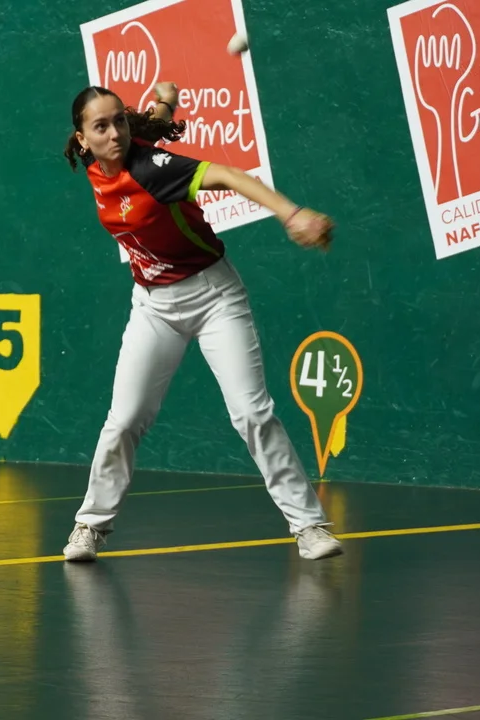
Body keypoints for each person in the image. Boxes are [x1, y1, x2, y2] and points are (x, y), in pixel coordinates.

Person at [61, 82, 344, 562]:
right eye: (101, 126)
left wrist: (291, 214)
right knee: (124, 419)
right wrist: (165, 103)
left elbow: (229, 175)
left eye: (120, 122)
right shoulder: (101, 162)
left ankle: (309, 526)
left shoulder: (152, 169)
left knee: (252, 413)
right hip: (153, 307)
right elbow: (150, 124)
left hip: (214, 297)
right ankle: (90, 525)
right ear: (82, 139)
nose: (115, 134)